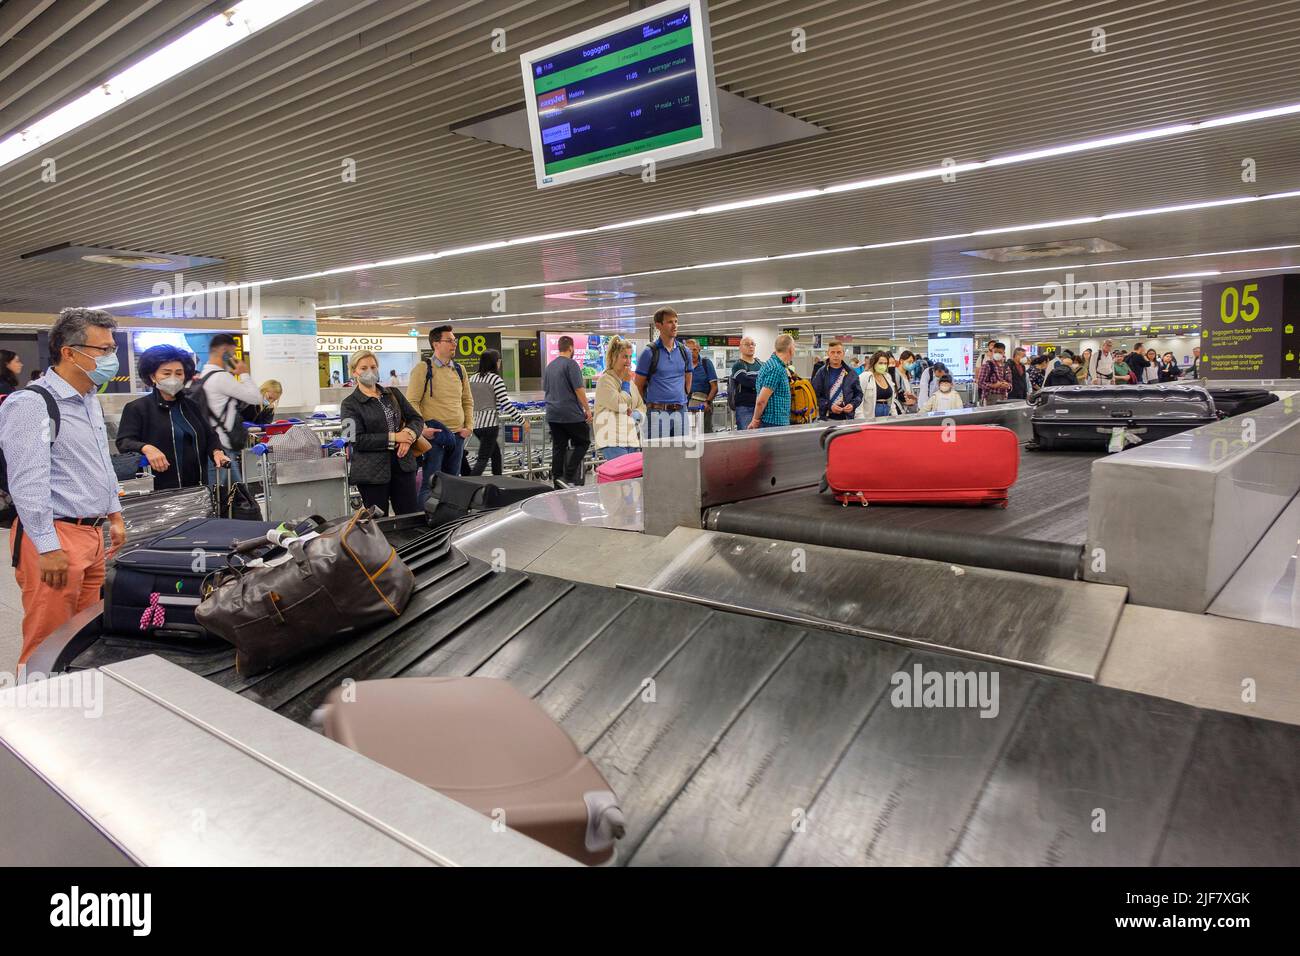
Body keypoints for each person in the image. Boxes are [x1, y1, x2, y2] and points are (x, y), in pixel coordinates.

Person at [0, 308, 126, 666]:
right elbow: (27, 481)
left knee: (84, 637)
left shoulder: (88, 400)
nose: (111, 358)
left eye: (112, 348)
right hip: (55, 534)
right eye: (102, 350)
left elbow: (101, 462)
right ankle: (34, 714)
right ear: (69, 352)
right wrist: (47, 546)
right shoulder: (32, 404)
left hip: (92, 533)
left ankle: (72, 713)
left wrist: (114, 515)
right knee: (47, 642)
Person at [116, 345, 229, 490]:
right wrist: (146, 448)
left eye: (179, 373)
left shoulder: (192, 406)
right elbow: (124, 442)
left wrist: (217, 451)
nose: (173, 378)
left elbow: (210, 436)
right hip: (160, 490)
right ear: (152, 376)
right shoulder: (138, 408)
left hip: (197, 488)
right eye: (166, 373)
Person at [341, 351, 423, 516]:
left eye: (373, 366)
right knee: (378, 522)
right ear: (353, 372)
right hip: (371, 473)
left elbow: (416, 418)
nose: (369, 371)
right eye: (363, 368)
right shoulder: (349, 404)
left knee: (410, 516)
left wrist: (408, 436)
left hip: (403, 466)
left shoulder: (393, 394)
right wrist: (394, 437)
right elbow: (354, 439)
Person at [407, 325, 474, 509]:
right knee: (431, 483)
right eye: (450, 340)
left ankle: (447, 520)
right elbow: (411, 401)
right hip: (434, 436)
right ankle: (425, 523)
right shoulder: (423, 369)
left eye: (455, 340)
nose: (454, 344)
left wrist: (469, 426)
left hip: (458, 435)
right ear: (436, 344)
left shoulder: (460, 370)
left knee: (453, 483)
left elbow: (467, 400)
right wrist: (422, 429)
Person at [199, 333, 265, 484]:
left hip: (214, 445)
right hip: (221, 448)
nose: (235, 358)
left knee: (239, 494)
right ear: (225, 352)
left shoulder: (203, 375)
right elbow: (256, 398)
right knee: (218, 498)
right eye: (233, 354)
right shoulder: (221, 377)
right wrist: (244, 374)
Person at [634, 307, 693, 440]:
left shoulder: (685, 352)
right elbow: (638, 385)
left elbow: (688, 377)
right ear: (658, 326)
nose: (675, 325)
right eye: (670, 322)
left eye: (676, 321)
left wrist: (682, 397)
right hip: (657, 413)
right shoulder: (649, 353)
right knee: (658, 457)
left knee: (682, 456)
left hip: (681, 412)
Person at [543, 335, 592, 487]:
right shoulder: (571, 364)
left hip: (552, 413)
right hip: (570, 413)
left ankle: (557, 479)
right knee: (583, 441)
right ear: (571, 348)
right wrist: (587, 409)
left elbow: (546, 389)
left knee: (559, 446)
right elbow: (579, 389)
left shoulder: (549, 366)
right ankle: (569, 475)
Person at [468, 349, 524, 476]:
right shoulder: (495, 379)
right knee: (482, 459)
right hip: (489, 425)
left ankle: (497, 480)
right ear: (494, 362)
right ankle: (469, 485)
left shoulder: (472, 378)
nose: (499, 363)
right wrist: (522, 420)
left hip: (475, 424)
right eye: (498, 361)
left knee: (496, 455)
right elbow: (506, 404)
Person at [593, 336, 646, 460]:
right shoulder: (605, 381)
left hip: (631, 439)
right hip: (612, 440)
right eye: (624, 356)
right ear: (613, 358)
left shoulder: (630, 383)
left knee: (634, 477)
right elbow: (620, 405)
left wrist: (635, 415)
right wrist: (626, 383)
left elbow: (641, 406)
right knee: (623, 477)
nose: (628, 361)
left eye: (629, 356)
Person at [749, 334, 796, 429]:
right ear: (790, 349)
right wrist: (755, 420)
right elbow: (761, 400)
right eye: (794, 346)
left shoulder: (771, 364)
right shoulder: (776, 368)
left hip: (775, 422)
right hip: (774, 423)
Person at [811, 340, 861, 420]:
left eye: (839, 352)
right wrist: (829, 406)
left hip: (847, 417)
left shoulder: (851, 373)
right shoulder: (821, 373)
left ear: (843, 354)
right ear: (828, 354)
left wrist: (853, 404)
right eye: (832, 352)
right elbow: (814, 395)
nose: (836, 355)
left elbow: (858, 394)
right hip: (827, 417)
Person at [729, 336, 763, 430]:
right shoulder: (738, 365)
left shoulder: (761, 364)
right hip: (745, 407)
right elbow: (746, 382)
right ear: (740, 348)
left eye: (753, 344)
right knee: (747, 436)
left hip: (761, 407)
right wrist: (763, 383)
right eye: (747, 344)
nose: (751, 346)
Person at [686, 338, 718, 433]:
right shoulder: (683, 365)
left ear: (699, 350)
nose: (692, 353)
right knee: (689, 434)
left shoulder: (706, 363)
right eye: (689, 350)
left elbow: (715, 387)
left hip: (702, 405)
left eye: (694, 350)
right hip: (686, 405)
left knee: (705, 433)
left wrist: (707, 402)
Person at [861, 351, 905, 419]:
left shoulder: (887, 376)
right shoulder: (865, 376)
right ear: (874, 363)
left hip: (887, 413)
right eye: (880, 363)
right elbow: (859, 401)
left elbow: (892, 402)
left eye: (885, 363)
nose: (883, 366)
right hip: (870, 415)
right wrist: (861, 420)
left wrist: (895, 418)